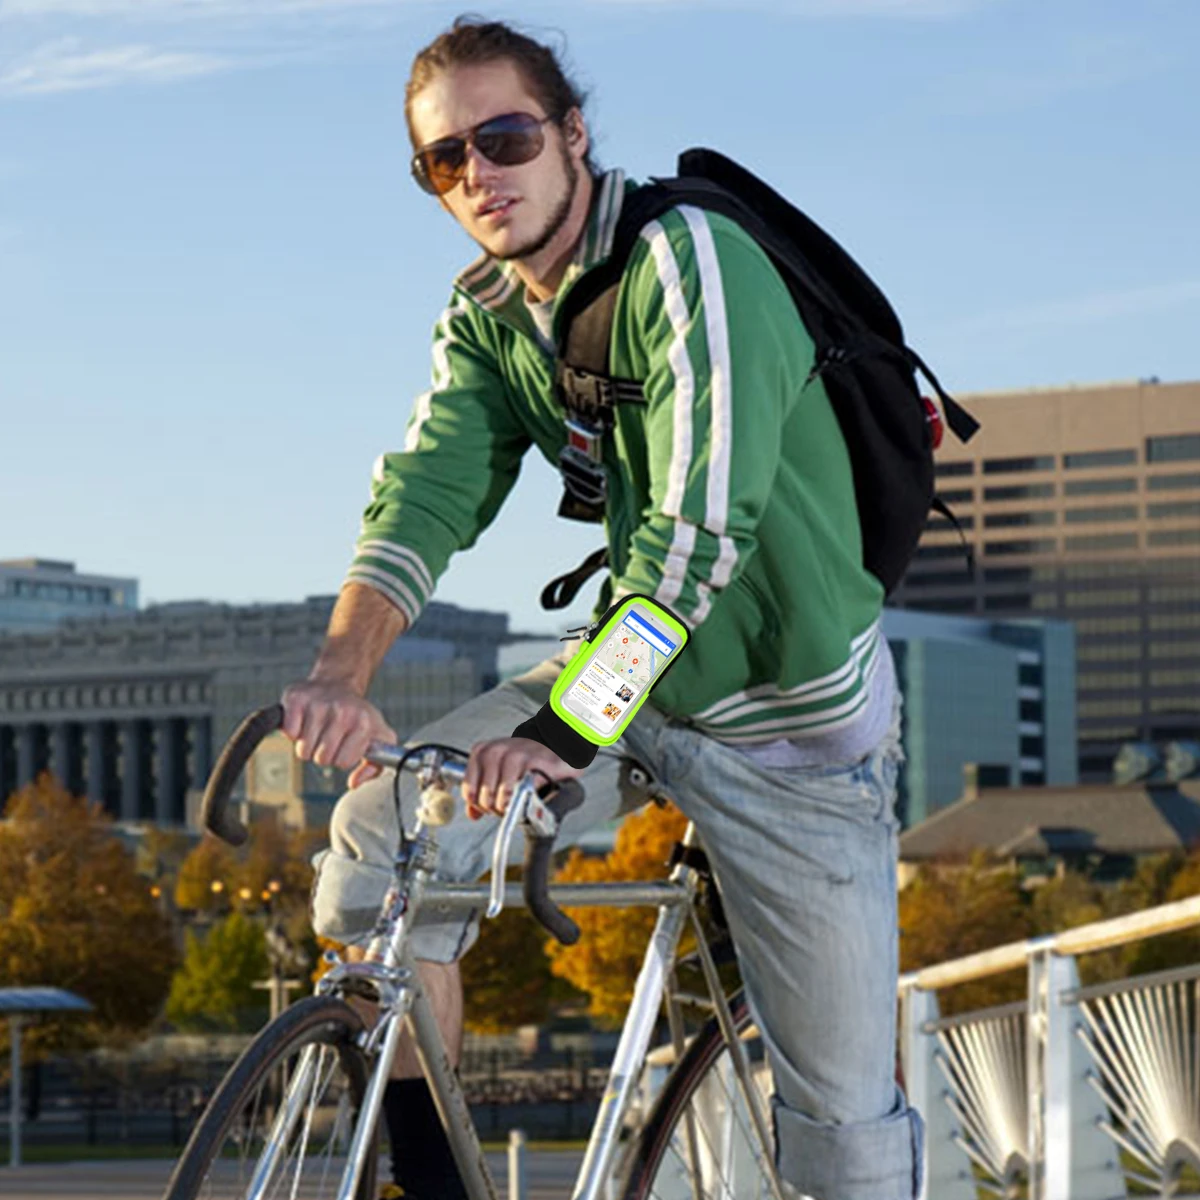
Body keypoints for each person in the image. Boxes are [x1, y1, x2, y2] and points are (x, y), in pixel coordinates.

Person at [287, 17, 923, 1200]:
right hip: (630, 692)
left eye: (506, 137)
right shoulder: (488, 314)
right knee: (384, 847)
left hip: (789, 732)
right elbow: (425, 492)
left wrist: (563, 731)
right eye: (443, 160)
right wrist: (341, 672)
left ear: (573, 134)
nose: (478, 174)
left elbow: (694, 541)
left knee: (842, 1133)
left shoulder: (694, 263)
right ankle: (432, 1185)